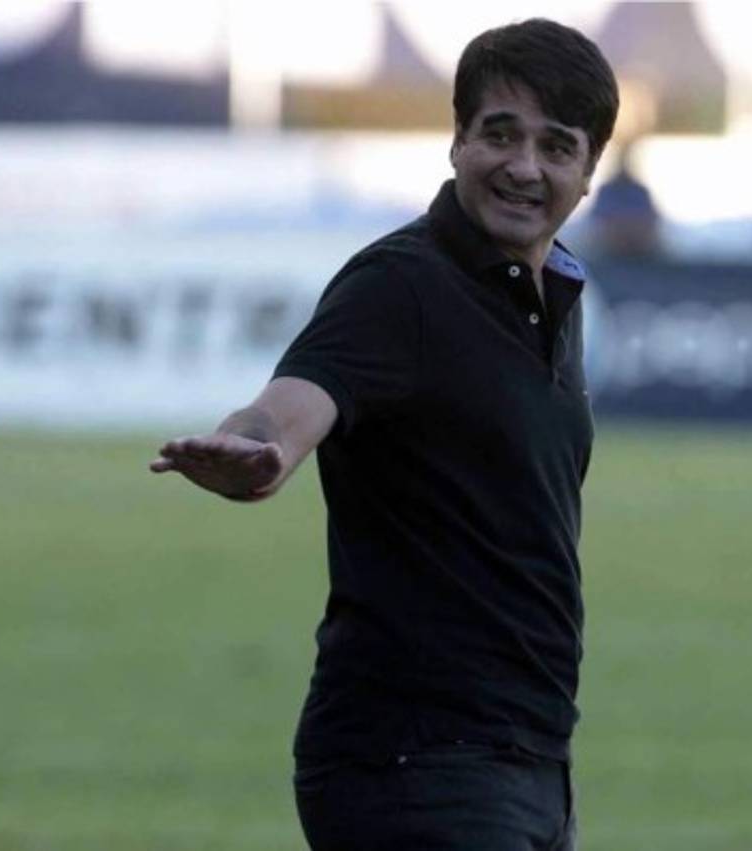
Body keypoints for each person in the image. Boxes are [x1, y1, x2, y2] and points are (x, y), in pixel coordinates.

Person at [149, 18, 617, 851]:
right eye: (499, 135)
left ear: (588, 169)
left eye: (556, 145)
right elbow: (295, 400)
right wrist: (259, 448)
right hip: (414, 762)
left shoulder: (555, 296)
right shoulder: (402, 285)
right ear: (456, 143)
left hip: (530, 758)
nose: (523, 166)